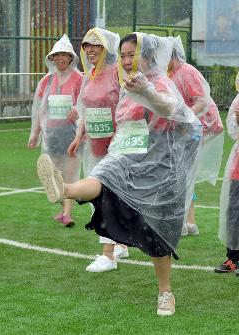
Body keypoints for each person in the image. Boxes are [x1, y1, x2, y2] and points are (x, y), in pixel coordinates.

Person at [36, 33, 202, 316]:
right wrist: (86, 131)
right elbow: (119, 118)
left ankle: (165, 293)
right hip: (127, 157)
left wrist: (147, 90)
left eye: (132, 55)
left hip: (160, 169)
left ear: (148, 56)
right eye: (123, 55)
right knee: (104, 175)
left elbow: (171, 109)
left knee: (157, 235)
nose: (126, 61)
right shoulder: (126, 86)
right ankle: (64, 189)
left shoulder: (160, 82)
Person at [66, 27, 128, 272]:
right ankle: (119, 242)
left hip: (115, 147)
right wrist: (78, 136)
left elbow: (127, 107)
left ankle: (108, 255)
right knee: (102, 198)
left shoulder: (117, 74)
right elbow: (84, 109)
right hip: (94, 147)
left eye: (96, 45)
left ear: (107, 48)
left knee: (107, 197)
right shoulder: (88, 75)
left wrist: (121, 139)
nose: (90, 50)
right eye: (86, 45)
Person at [167, 36, 224, 237]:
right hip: (188, 129)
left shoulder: (186, 71)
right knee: (182, 174)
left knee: (181, 175)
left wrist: (183, 119)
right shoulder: (171, 73)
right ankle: (189, 222)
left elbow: (202, 102)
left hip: (197, 129)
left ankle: (182, 224)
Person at [28, 34, 83, 227]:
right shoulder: (46, 81)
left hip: (71, 134)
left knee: (70, 174)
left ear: (71, 58)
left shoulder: (79, 79)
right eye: (57, 55)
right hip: (51, 136)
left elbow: (84, 103)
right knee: (53, 174)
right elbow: (39, 109)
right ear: (51, 58)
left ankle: (67, 213)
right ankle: (63, 208)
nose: (60, 58)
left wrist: (78, 113)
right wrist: (35, 134)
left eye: (64, 55)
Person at [215, 73, 239, 275]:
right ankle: (233, 258)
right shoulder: (237, 101)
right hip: (237, 168)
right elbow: (233, 131)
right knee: (232, 213)